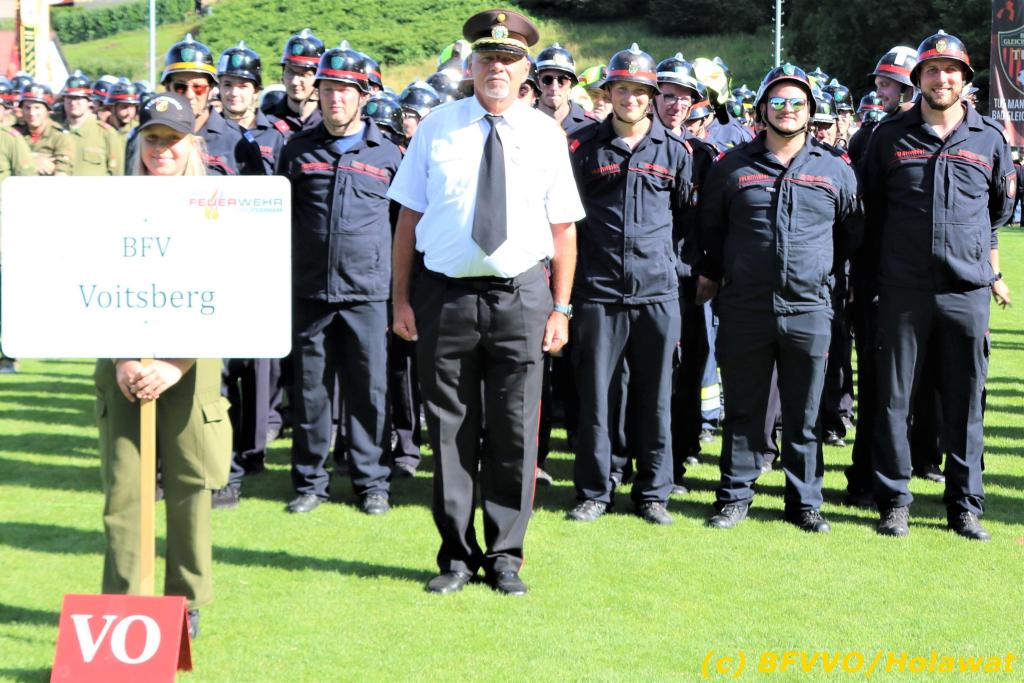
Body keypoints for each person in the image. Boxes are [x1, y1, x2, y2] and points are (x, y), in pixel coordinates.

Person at [387, 8, 582, 595]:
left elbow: (564, 229)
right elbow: (408, 219)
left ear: (525, 71)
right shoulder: (436, 128)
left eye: (508, 60)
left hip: (520, 297)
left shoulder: (545, 135)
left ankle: (504, 558)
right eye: (487, 58)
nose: (497, 68)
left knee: (514, 434)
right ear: (470, 65)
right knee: (449, 433)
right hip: (444, 297)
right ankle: (455, 558)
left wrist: (561, 307)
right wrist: (401, 300)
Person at [861, 31, 1014, 541]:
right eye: (932, 70)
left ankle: (964, 505)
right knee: (893, 401)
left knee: (966, 401)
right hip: (902, 290)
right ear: (918, 78)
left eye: (951, 70)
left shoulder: (989, 137)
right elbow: (869, 209)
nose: (941, 78)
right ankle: (894, 501)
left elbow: (998, 209)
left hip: (965, 290)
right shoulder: (889, 135)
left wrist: (980, 261)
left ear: (965, 79)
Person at [696, 63, 861, 533]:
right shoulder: (732, 167)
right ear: (763, 109)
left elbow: (851, 234)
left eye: (797, 103)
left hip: (809, 309)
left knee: (805, 413)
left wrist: (820, 277)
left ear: (811, 111)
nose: (788, 110)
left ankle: (804, 502)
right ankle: (734, 496)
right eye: (779, 102)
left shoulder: (834, 168)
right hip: (745, 307)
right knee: (744, 410)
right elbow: (711, 230)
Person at [95, 92, 232, 641]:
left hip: (192, 367)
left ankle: (184, 602)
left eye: (173, 140)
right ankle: (123, 606)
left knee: (189, 486)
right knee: (124, 492)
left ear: (191, 145)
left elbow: (232, 289)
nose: (161, 149)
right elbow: (90, 284)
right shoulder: (111, 205)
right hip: (122, 364)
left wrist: (175, 363)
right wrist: (123, 356)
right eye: (152, 138)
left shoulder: (218, 206)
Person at [565, 44, 693, 525]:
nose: (630, 98)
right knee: (597, 398)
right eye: (622, 89)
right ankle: (595, 491)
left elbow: (688, 218)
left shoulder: (676, 151)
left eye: (640, 90)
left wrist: (673, 268)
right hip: (598, 291)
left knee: (656, 398)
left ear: (651, 96)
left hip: (657, 292)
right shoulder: (582, 147)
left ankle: (653, 493)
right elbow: (567, 219)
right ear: (609, 93)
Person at [276, 41, 402, 516]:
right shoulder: (296, 150)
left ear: (364, 96)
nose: (335, 99)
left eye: (345, 90)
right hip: (310, 291)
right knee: (311, 393)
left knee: (369, 392)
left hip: (368, 294)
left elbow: (402, 227)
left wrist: (400, 294)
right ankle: (310, 482)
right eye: (328, 89)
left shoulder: (388, 154)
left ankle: (372, 483)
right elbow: (282, 219)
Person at [212, 40, 288, 510]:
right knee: (221, 371)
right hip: (216, 264)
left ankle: (253, 451)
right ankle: (223, 463)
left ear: (256, 90)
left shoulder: (277, 136)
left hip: (261, 267)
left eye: (242, 85)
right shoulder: (204, 135)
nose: (234, 92)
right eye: (227, 84)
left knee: (258, 371)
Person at [262, 28, 325, 138]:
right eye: (290, 72)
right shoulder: (265, 119)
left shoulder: (330, 121)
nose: (295, 82)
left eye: (303, 74)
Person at [62, 70, 123, 177]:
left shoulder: (106, 134)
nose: (73, 103)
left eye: (79, 98)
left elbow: (117, 173)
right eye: (69, 98)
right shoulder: (56, 131)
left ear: (89, 101)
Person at [15, 83, 73, 176]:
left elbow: (62, 172)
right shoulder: (13, 134)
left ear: (48, 110)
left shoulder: (60, 136)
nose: (32, 113)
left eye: (37, 108)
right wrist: (32, 160)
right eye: (27, 108)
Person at [536, 42, 592, 135]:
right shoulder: (521, 122)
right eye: (547, 80)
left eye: (562, 80)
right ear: (537, 82)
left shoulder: (591, 127)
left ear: (571, 84)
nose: (554, 87)